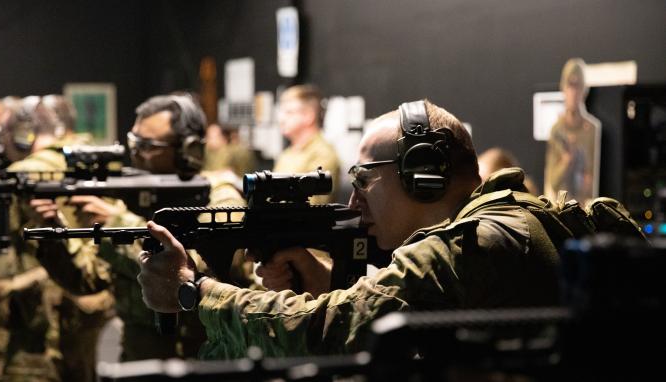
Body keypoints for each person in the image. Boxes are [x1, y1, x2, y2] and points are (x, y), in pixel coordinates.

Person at [137, 98, 564, 359]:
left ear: (423, 175)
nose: (354, 201)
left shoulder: (466, 246)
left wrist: (193, 289)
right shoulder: (518, 217)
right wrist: (325, 282)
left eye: (364, 180)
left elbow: (327, 332)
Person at [31, 94, 252, 363]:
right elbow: (88, 279)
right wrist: (55, 233)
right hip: (139, 357)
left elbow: (217, 267)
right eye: (133, 142)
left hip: (206, 358)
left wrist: (120, 224)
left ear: (189, 150)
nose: (135, 153)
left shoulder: (220, 198)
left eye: (147, 145)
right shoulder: (132, 200)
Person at [0, 96, 111, 381]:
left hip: (40, 314)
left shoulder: (24, 173)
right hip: (90, 305)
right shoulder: (92, 155)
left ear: (23, 134)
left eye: (5, 134)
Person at [544, 58, 601, 205]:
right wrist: (566, 162)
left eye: (578, 87)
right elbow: (553, 181)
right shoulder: (556, 130)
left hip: (582, 206)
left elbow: (590, 183)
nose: (573, 92)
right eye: (570, 86)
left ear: (584, 90)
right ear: (563, 88)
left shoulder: (591, 129)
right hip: (561, 206)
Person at [274, 85, 340, 204]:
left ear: (309, 116)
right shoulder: (288, 154)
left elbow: (313, 205)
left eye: (289, 112)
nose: (281, 119)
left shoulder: (323, 154)